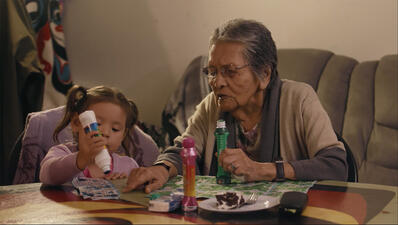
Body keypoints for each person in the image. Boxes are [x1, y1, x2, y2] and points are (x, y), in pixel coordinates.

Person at [123, 18, 348, 194]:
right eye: (212, 72)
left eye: (230, 71)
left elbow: (335, 165)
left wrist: (262, 170)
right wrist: (161, 169)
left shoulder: (299, 99)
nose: (217, 83)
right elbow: (184, 149)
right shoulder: (211, 105)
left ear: (265, 74)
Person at [40, 85, 140, 185]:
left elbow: (143, 193)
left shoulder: (129, 166)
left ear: (123, 135)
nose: (105, 133)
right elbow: (46, 176)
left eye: (115, 129)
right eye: (98, 124)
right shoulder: (61, 153)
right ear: (76, 123)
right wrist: (80, 159)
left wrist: (123, 185)